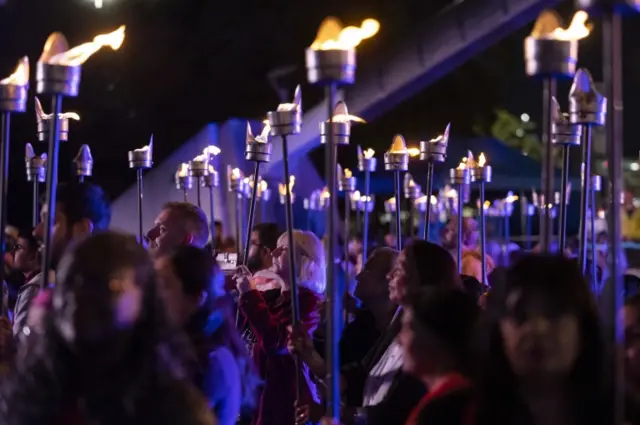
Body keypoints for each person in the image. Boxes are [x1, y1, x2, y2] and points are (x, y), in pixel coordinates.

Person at [0, 231, 215, 425]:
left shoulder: (173, 407)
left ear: (144, 299)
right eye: (71, 281)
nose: (79, 296)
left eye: (108, 285)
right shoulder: (34, 391)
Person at [292, 240, 462, 425]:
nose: (390, 276)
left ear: (421, 278)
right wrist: (310, 354)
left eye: (400, 269)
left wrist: (339, 414)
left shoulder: (431, 338)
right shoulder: (396, 322)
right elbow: (361, 372)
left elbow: (396, 410)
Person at [476, 254, 609, 425]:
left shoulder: (620, 413)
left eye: (553, 313)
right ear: (498, 328)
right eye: (521, 315)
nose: (537, 328)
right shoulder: (460, 413)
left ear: (583, 327)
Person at [156, 246, 259, 425]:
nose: (156, 295)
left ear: (196, 298)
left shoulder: (210, 361)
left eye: (165, 285)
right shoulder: (176, 347)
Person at [236, 230, 324, 425]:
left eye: (282, 249)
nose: (273, 253)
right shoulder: (277, 298)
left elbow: (278, 342)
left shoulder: (308, 303)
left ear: (303, 260)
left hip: (284, 404)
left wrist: (250, 296)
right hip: (261, 397)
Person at [13, 182, 111, 338]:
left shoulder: (100, 302)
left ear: (82, 230)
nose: (37, 231)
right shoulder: (64, 291)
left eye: (51, 222)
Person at [400, 289, 480, 425]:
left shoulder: (447, 406)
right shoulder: (452, 395)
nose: (399, 339)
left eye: (409, 328)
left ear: (438, 334)